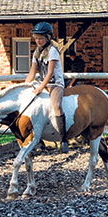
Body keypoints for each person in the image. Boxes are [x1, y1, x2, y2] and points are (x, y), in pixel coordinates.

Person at [24, 22, 69, 153]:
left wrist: (39, 88)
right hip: (43, 83)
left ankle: (64, 138)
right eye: (36, 38)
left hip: (55, 83)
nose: (38, 40)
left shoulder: (53, 51)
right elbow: (32, 72)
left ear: (48, 38)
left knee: (56, 105)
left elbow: (49, 73)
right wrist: (24, 86)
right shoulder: (36, 52)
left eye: (41, 38)